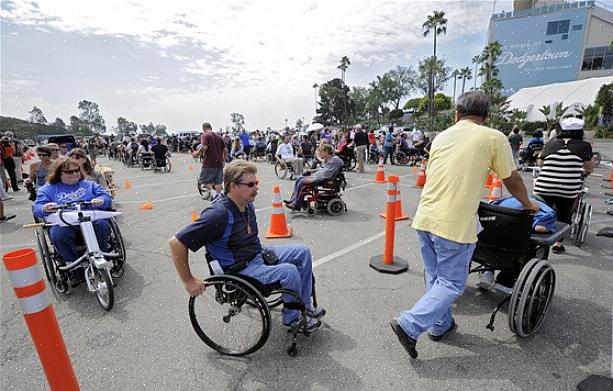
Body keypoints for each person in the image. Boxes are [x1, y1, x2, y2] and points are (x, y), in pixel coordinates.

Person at [390, 91, 539, 359]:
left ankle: (440, 325)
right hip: (454, 223)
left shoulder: (442, 137)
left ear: (457, 114)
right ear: (486, 116)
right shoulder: (493, 137)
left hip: (425, 216)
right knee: (451, 283)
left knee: (436, 277)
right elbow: (511, 179)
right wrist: (528, 204)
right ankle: (409, 324)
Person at [168, 160, 325, 330]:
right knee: (289, 271)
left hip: (256, 254)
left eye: (256, 183)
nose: (256, 187)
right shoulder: (218, 214)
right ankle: (292, 318)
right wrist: (188, 281)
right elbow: (176, 243)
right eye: (250, 184)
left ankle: (305, 306)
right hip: (240, 268)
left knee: (302, 251)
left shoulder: (247, 204)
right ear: (233, 186)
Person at [32, 158, 112, 272]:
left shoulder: (89, 185)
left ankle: (103, 255)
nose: (75, 173)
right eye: (69, 172)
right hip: (64, 223)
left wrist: (101, 200)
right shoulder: (48, 189)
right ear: (58, 173)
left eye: (76, 170)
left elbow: (106, 197)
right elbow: (37, 207)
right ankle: (73, 264)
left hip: (90, 219)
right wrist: (45, 208)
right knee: (58, 234)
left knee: (102, 225)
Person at [533, 118, 594, 254]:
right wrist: (586, 172)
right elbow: (589, 167)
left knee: (542, 210)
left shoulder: (551, 144)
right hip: (567, 188)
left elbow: (540, 164)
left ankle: (537, 238)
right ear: (580, 132)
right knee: (565, 213)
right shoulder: (584, 146)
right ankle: (558, 244)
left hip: (544, 186)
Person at [284, 144, 343, 211]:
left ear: (326, 152)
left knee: (302, 181)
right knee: (299, 178)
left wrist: (312, 180)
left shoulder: (334, 160)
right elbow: (322, 168)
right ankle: (293, 200)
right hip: (318, 176)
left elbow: (326, 175)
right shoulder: (328, 159)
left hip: (324, 179)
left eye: (321, 151)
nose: (320, 153)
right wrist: (312, 170)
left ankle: (296, 204)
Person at [193, 122, 227, 202]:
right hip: (219, 163)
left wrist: (196, 154)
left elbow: (204, 147)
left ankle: (214, 194)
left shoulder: (205, 135)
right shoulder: (219, 137)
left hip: (209, 162)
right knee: (218, 182)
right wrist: (224, 159)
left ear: (203, 128)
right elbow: (225, 150)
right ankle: (219, 196)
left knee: (204, 181)